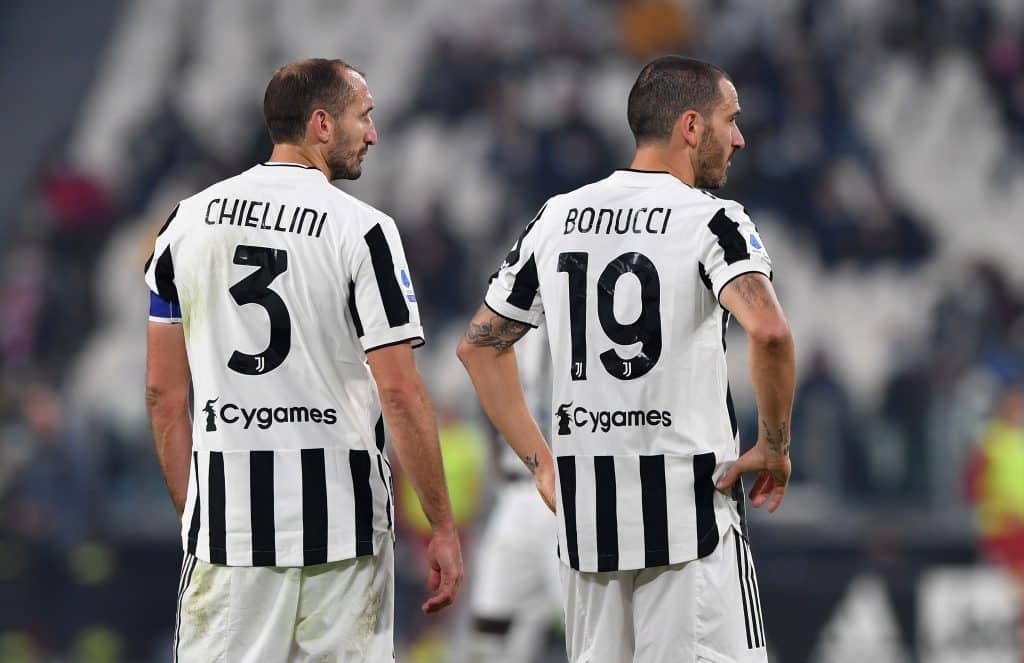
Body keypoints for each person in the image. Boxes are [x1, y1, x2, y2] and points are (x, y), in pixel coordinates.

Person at [457, 55, 796, 662]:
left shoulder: (556, 217)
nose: (739, 138)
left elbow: (479, 347)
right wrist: (774, 444)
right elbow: (769, 333)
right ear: (691, 127)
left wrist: (539, 461)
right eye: (730, 119)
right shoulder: (711, 221)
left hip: (587, 526)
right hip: (688, 520)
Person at [144, 58, 463, 662]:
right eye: (363, 117)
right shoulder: (363, 230)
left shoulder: (183, 225)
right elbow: (399, 393)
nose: (373, 133)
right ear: (321, 123)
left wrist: (198, 517)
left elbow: (164, 396)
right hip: (342, 535)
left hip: (229, 535)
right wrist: (441, 526)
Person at [467, 323, 564, 663]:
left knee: (582, 622)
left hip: (562, 494)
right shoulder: (505, 319)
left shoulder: (577, 314)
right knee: (490, 621)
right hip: (513, 492)